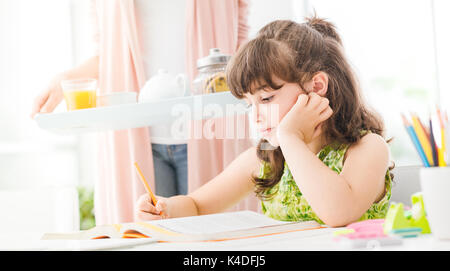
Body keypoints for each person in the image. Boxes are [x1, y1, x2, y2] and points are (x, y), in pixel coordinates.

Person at [135, 16, 394, 227]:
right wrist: (165, 208)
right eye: (249, 104)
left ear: (317, 86)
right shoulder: (265, 159)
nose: (256, 115)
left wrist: (291, 137)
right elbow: (198, 206)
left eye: (267, 98)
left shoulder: (368, 148)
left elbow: (338, 213)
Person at [30, 0, 255, 225]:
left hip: (214, 130)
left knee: (212, 236)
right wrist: (67, 79)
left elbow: (239, 42)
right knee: (148, 238)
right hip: (135, 138)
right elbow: (106, 53)